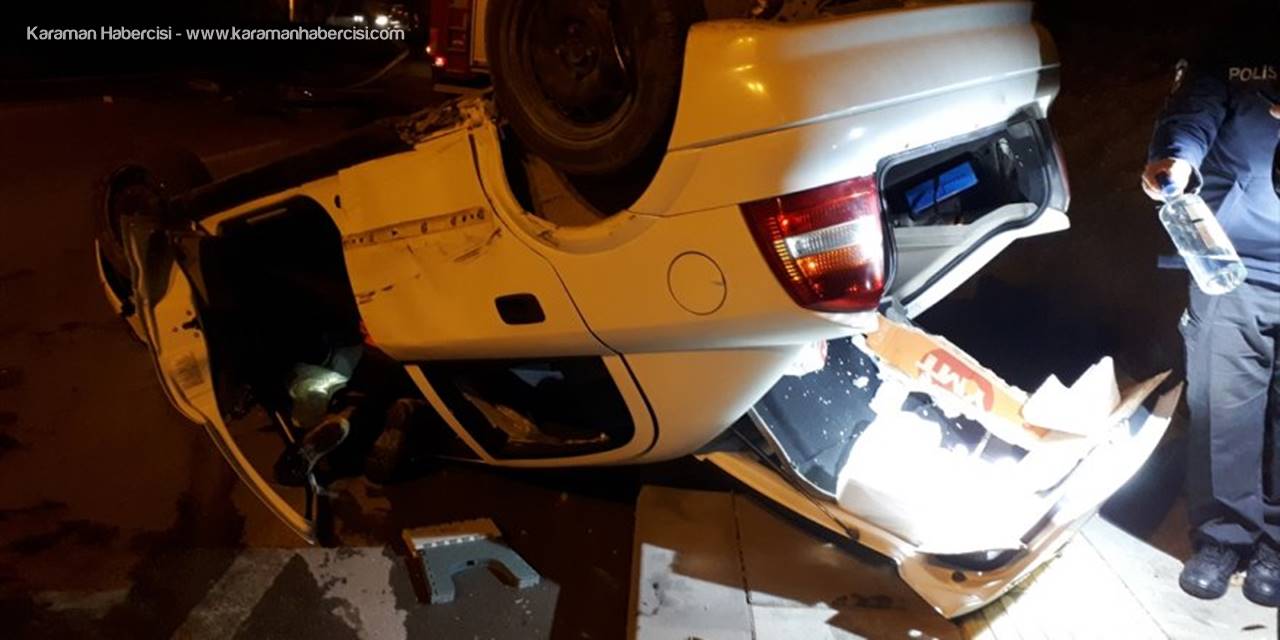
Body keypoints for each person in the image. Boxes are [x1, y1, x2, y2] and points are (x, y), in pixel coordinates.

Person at [1142, 41, 1280, 605]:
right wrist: (1176, 158)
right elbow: (1194, 109)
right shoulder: (1241, 39)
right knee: (1224, 404)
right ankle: (1223, 537)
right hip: (1233, 265)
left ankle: (1276, 547)